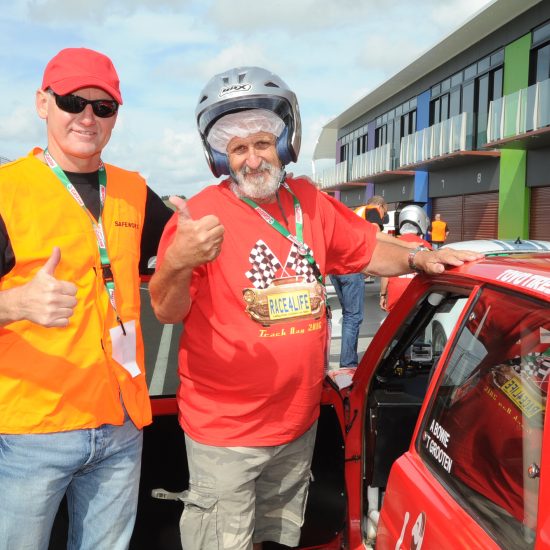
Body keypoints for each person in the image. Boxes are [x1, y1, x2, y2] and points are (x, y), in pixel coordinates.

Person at [148, 66, 482, 550]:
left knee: (277, 539)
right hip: (227, 433)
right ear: (221, 157)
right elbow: (165, 309)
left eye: (262, 143)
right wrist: (177, 262)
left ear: (285, 142)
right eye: (238, 149)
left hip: (297, 422)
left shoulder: (310, 203)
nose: (252, 159)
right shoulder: (199, 216)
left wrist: (417, 256)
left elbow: (367, 247)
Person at [0, 47, 172, 549]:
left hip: (121, 425)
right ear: (42, 103)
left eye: (104, 106)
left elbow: (185, 250)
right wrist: (16, 305)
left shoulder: (133, 191)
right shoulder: (8, 191)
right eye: (73, 101)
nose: (87, 116)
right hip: (36, 429)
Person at [379, 205, 433, 312]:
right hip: (418, 297)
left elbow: (385, 274)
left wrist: (383, 295)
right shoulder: (426, 246)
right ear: (420, 222)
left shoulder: (392, 244)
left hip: (396, 297)